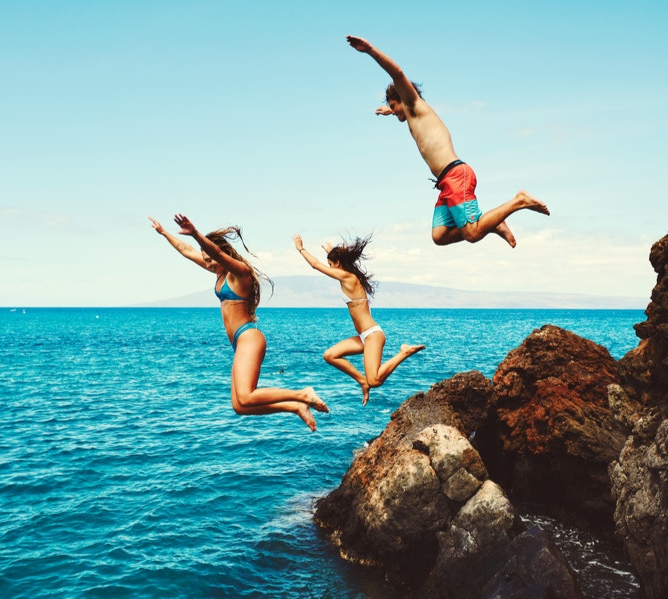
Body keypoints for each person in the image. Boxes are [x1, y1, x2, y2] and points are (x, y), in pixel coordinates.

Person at [346, 35, 550, 247]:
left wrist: (369, 50)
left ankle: (519, 201)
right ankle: (491, 224)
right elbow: (401, 111)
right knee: (439, 236)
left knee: (472, 234)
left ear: (403, 99)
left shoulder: (414, 104)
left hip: (456, 175)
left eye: (394, 104)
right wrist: (390, 111)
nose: (394, 109)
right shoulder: (414, 115)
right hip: (446, 182)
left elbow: (397, 73)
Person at [150, 214, 328, 431]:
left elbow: (215, 252)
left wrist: (196, 233)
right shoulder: (220, 272)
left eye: (210, 258)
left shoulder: (240, 273)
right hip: (239, 342)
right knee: (240, 405)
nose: (207, 263)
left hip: (249, 337)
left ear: (222, 254)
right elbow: (187, 251)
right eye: (205, 259)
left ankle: (303, 394)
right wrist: (164, 233)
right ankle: (294, 406)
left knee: (247, 394)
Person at [294, 233, 425, 405]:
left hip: (372, 335)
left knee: (375, 381)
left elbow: (315, 265)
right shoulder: (348, 275)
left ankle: (404, 352)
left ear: (338, 263)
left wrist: (301, 249)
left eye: (331, 264)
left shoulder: (348, 277)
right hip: (364, 336)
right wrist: (331, 251)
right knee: (330, 355)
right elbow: (333, 262)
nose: (330, 268)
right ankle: (361, 381)